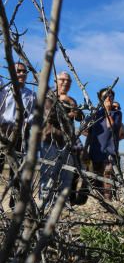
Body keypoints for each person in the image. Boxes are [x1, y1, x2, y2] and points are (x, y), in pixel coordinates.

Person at [40, 71, 82, 200]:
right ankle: (45, 204)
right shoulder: (49, 97)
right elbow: (50, 117)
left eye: (68, 81)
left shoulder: (71, 100)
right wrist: (70, 114)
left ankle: (62, 204)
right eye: (62, 79)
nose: (65, 82)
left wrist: (71, 104)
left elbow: (80, 117)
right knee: (48, 173)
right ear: (55, 81)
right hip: (50, 140)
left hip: (67, 142)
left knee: (67, 174)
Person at [0, 62, 36, 205]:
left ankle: (14, 203)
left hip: (21, 132)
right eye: (18, 71)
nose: (22, 73)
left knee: (16, 168)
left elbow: (34, 114)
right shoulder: (5, 90)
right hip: (3, 130)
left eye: (24, 71)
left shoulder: (31, 95)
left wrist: (25, 121)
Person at [86, 88, 123, 201]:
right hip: (95, 152)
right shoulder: (95, 114)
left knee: (108, 179)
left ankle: (109, 204)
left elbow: (110, 126)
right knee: (96, 179)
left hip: (109, 153)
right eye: (105, 96)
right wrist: (84, 150)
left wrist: (107, 110)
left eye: (110, 96)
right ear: (100, 99)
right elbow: (86, 130)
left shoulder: (116, 113)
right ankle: (99, 204)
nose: (108, 98)